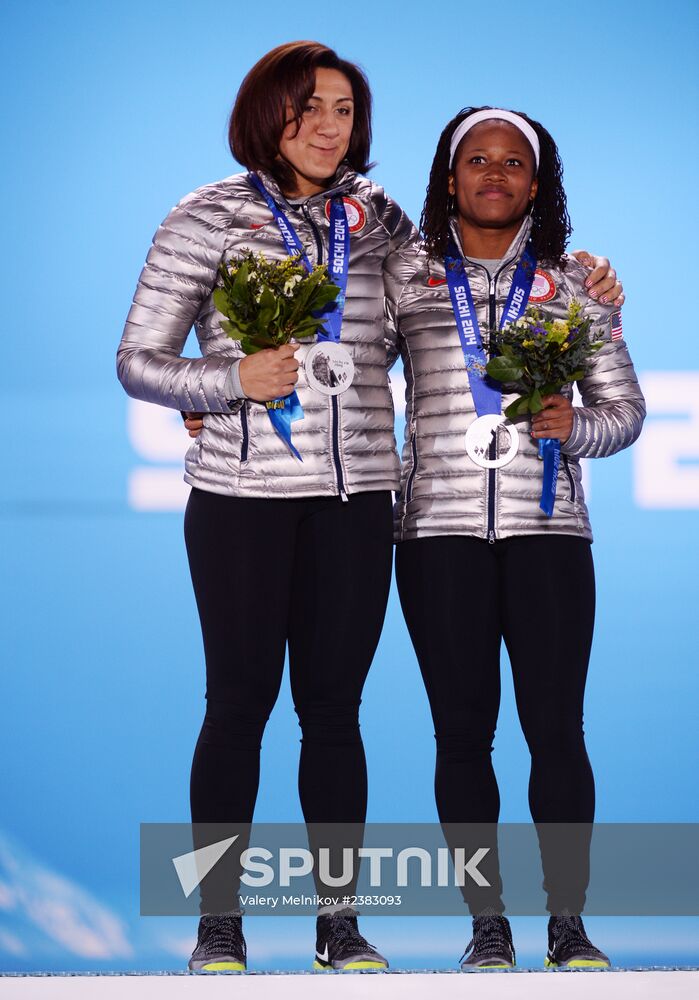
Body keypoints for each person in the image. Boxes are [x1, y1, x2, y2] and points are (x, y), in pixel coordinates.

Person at [121, 39, 623, 971]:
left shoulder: (380, 220)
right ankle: (217, 926)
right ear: (263, 113)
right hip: (242, 499)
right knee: (235, 708)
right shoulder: (203, 217)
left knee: (334, 717)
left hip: (358, 502)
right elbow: (138, 362)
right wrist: (228, 381)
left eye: (344, 110)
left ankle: (336, 925)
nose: (326, 126)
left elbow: (453, 291)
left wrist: (584, 277)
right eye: (306, 107)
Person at [390, 106, 645, 969]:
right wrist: (216, 398)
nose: (493, 174)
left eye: (511, 164)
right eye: (475, 160)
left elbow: (625, 415)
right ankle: (486, 926)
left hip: (548, 532)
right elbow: (336, 370)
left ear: (536, 184)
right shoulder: (404, 275)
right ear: (449, 176)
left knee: (555, 730)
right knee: (461, 734)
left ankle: (567, 924)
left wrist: (572, 426)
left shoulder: (574, 285)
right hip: (435, 533)